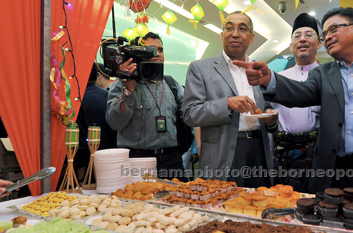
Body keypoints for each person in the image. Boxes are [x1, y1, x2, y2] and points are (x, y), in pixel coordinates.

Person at [235, 7, 353, 198]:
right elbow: (301, 93)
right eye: (325, 33)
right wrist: (270, 78)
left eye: (334, 29)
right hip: (333, 173)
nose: (327, 36)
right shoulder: (322, 72)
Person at [182, 12, 278, 188]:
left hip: (259, 150)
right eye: (229, 28)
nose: (235, 33)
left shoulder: (259, 69)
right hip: (223, 152)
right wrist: (226, 104)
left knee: (259, 205)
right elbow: (190, 114)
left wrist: (271, 119)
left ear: (251, 38)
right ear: (221, 35)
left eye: (242, 29)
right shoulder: (201, 68)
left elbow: (268, 108)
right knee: (223, 208)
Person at [106, 32, 186, 180]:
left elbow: (189, 116)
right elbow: (115, 123)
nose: (157, 53)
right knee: (138, 201)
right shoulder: (123, 82)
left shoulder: (172, 84)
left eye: (161, 50)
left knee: (179, 200)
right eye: (151, 49)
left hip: (171, 159)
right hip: (137, 159)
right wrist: (129, 89)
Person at [270, 13, 322, 192]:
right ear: (291, 46)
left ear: (319, 43)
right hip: (282, 152)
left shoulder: (329, 77)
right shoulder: (277, 80)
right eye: (297, 36)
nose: (302, 40)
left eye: (309, 35)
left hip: (315, 151)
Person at [75, 63, 117, 180]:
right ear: (97, 75)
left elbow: (81, 141)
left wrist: (80, 176)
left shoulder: (78, 100)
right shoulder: (109, 95)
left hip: (92, 164)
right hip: (114, 157)